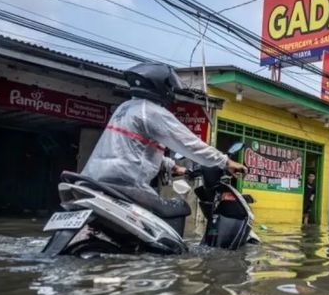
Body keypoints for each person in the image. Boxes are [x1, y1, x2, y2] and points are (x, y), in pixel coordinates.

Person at [82, 62, 247, 217]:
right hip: (125, 187)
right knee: (178, 210)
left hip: (94, 181)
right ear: (162, 87)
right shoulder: (152, 112)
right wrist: (226, 162)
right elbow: (190, 145)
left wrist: (171, 166)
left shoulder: (125, 108)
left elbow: (132, 150)